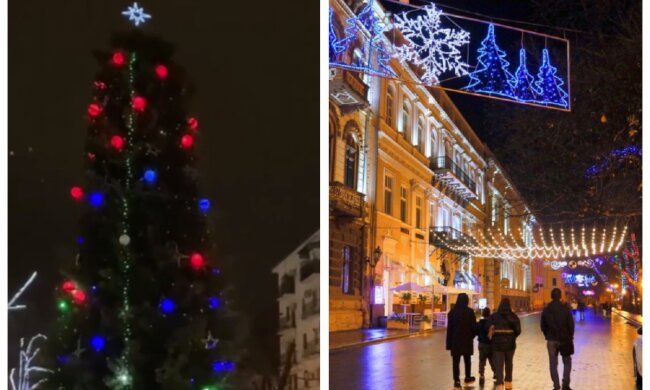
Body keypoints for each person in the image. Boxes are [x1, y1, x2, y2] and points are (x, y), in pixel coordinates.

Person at [541, 288, 575, 390]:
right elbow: (571, 324)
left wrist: (548, 335)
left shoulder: (546, 309)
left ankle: (556, 386)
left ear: (551, 296)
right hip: (565, 339)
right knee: (567, 361)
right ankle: (566, 384)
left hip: (551, 340)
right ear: (560, 296)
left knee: (553, 363)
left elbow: (543, 326)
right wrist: (570, 336)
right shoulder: (565, 309)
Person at [487, 298, 521, 390]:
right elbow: (518, 331)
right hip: (510, 344)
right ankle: (508, 382)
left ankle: (499, 384)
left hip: (497, 345)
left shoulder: (493, 316)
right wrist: (512, 336)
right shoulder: (513, 316)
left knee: (499, 364)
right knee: (509, 362)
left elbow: (488, 328)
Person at [446, 293, 477, 390]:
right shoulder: (470, 312)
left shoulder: (452, 312)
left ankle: (457, 381)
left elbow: (449, 330)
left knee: (456, 362)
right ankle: (467, 377)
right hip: (467, 340)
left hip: (455, 341)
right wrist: (471, 337)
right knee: (467, 360)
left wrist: (449, 344)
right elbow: (474, 328)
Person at [474, 307, 496, 385]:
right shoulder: (491, 323)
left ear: (483, 314)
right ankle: (495, 373)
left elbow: (476, 332)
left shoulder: (479, 322)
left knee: (482, 360)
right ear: (489, 314)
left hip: (482, 344)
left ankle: (481, 375)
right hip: (490, 344)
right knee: (492, 360)